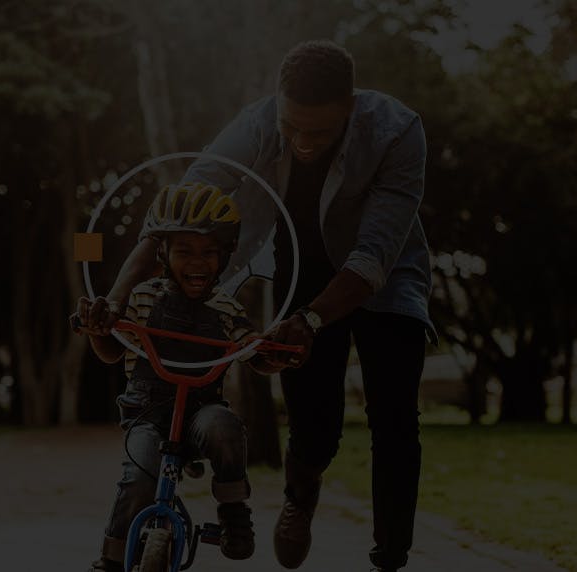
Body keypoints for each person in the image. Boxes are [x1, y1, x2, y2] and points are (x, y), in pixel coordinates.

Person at [88, 40, 436, 572]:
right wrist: (113, 300)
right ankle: (301, 496)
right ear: (277, 103)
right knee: (314, 421)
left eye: (317, 132)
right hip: (306, 270)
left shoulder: (397, 130)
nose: (299, 141)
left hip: (384, 276)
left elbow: (373, 257)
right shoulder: (254, 126)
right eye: (290, 125)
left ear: (350, 107)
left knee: (394, 417)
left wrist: (313, 319)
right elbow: (175, 215)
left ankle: (391, 555)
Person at [78, 183, 287, 572]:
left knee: (224, 427)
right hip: (147, 414)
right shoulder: (142, 296)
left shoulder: (226, 307)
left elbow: (250, 347)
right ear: (163, 254)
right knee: (139, 477)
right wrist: (98, 331)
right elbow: (111, 352)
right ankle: (110, 559)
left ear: (225, 256)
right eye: (184, 251)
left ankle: (234, 511)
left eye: (209, 252)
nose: (198, 262)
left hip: (200, 414)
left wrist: (271, 353)